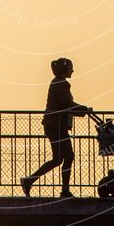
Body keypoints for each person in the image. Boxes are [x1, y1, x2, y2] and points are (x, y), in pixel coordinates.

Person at [20, 57, 91, 198]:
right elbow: (66, 104)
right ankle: (64, 190)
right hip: (56, 126)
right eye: (71, 67)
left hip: (55, 125)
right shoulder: (60, 84)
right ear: (64, 69)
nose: (73, 70)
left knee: (58, 159)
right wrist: (83, 109)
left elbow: (65, 106)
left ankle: (30, 180)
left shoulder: (59, 83)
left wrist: (81, 111)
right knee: (68, 156)